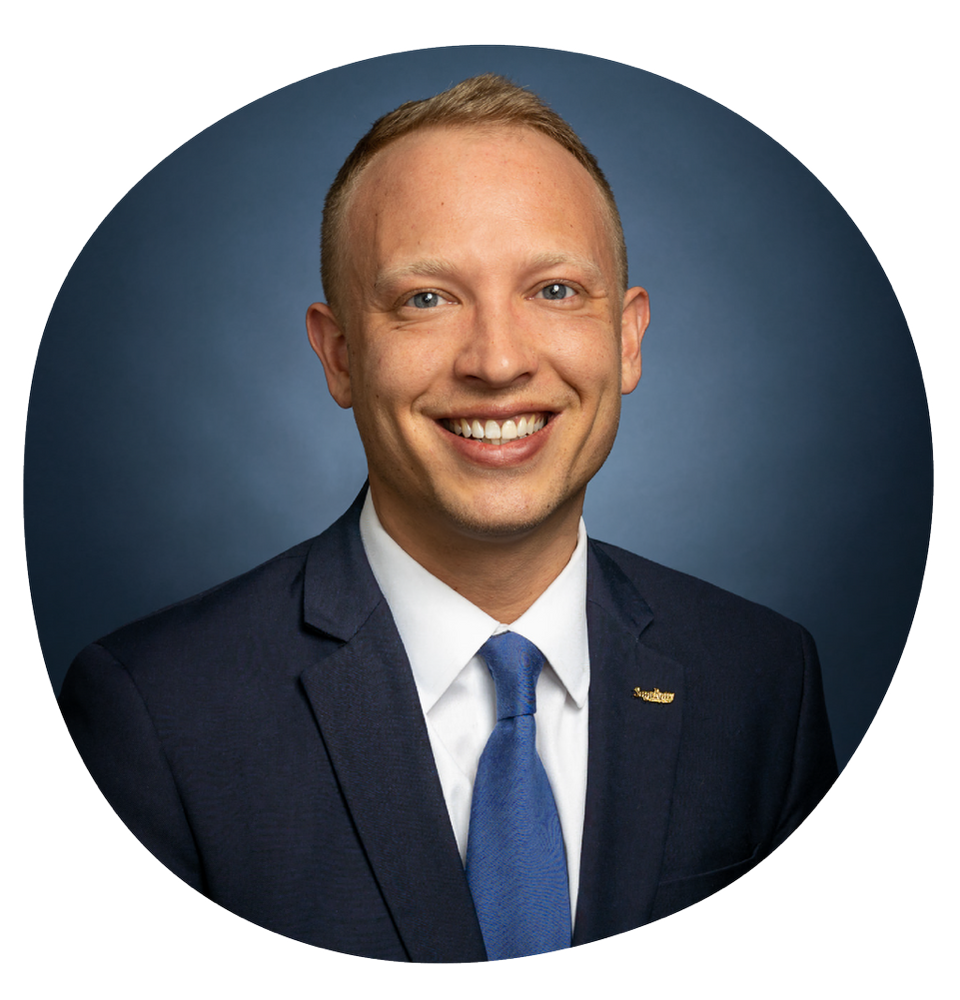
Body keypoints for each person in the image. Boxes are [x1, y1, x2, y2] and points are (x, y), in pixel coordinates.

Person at [59, 74, 837, 963]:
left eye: (553, 291)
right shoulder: (156, 715)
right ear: (340, 353)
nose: (498, 362)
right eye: (425, 299)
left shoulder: (764, 679)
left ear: (627, 340)